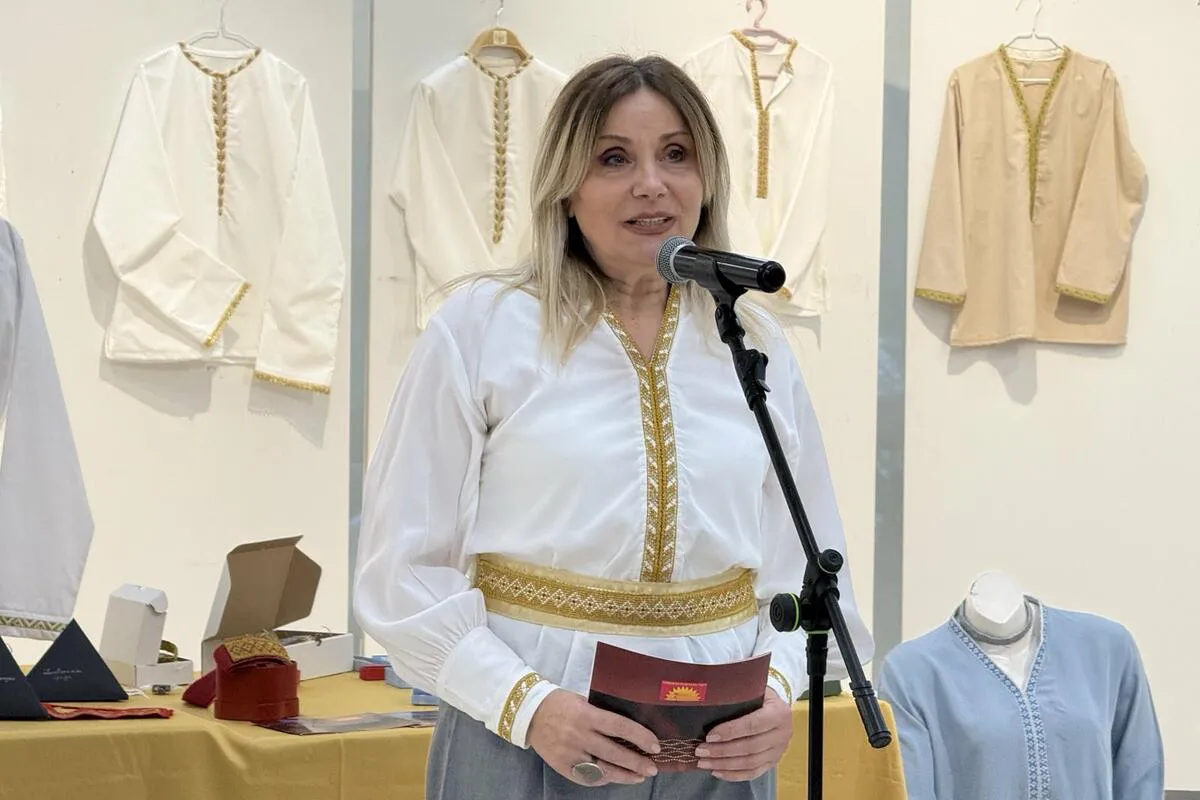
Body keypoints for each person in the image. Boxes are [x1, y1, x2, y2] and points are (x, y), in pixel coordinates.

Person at [353, 54, 874, 799]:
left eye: (676, 154)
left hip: (720, 747)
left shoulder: (753, 342)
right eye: (614, 158)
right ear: (566, 187)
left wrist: (778, 690)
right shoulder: (482, 327)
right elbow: (402, 573)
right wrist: (529, 707)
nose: (651, 184)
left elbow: (809, 563)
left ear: (707, 177)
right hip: (529, 730)